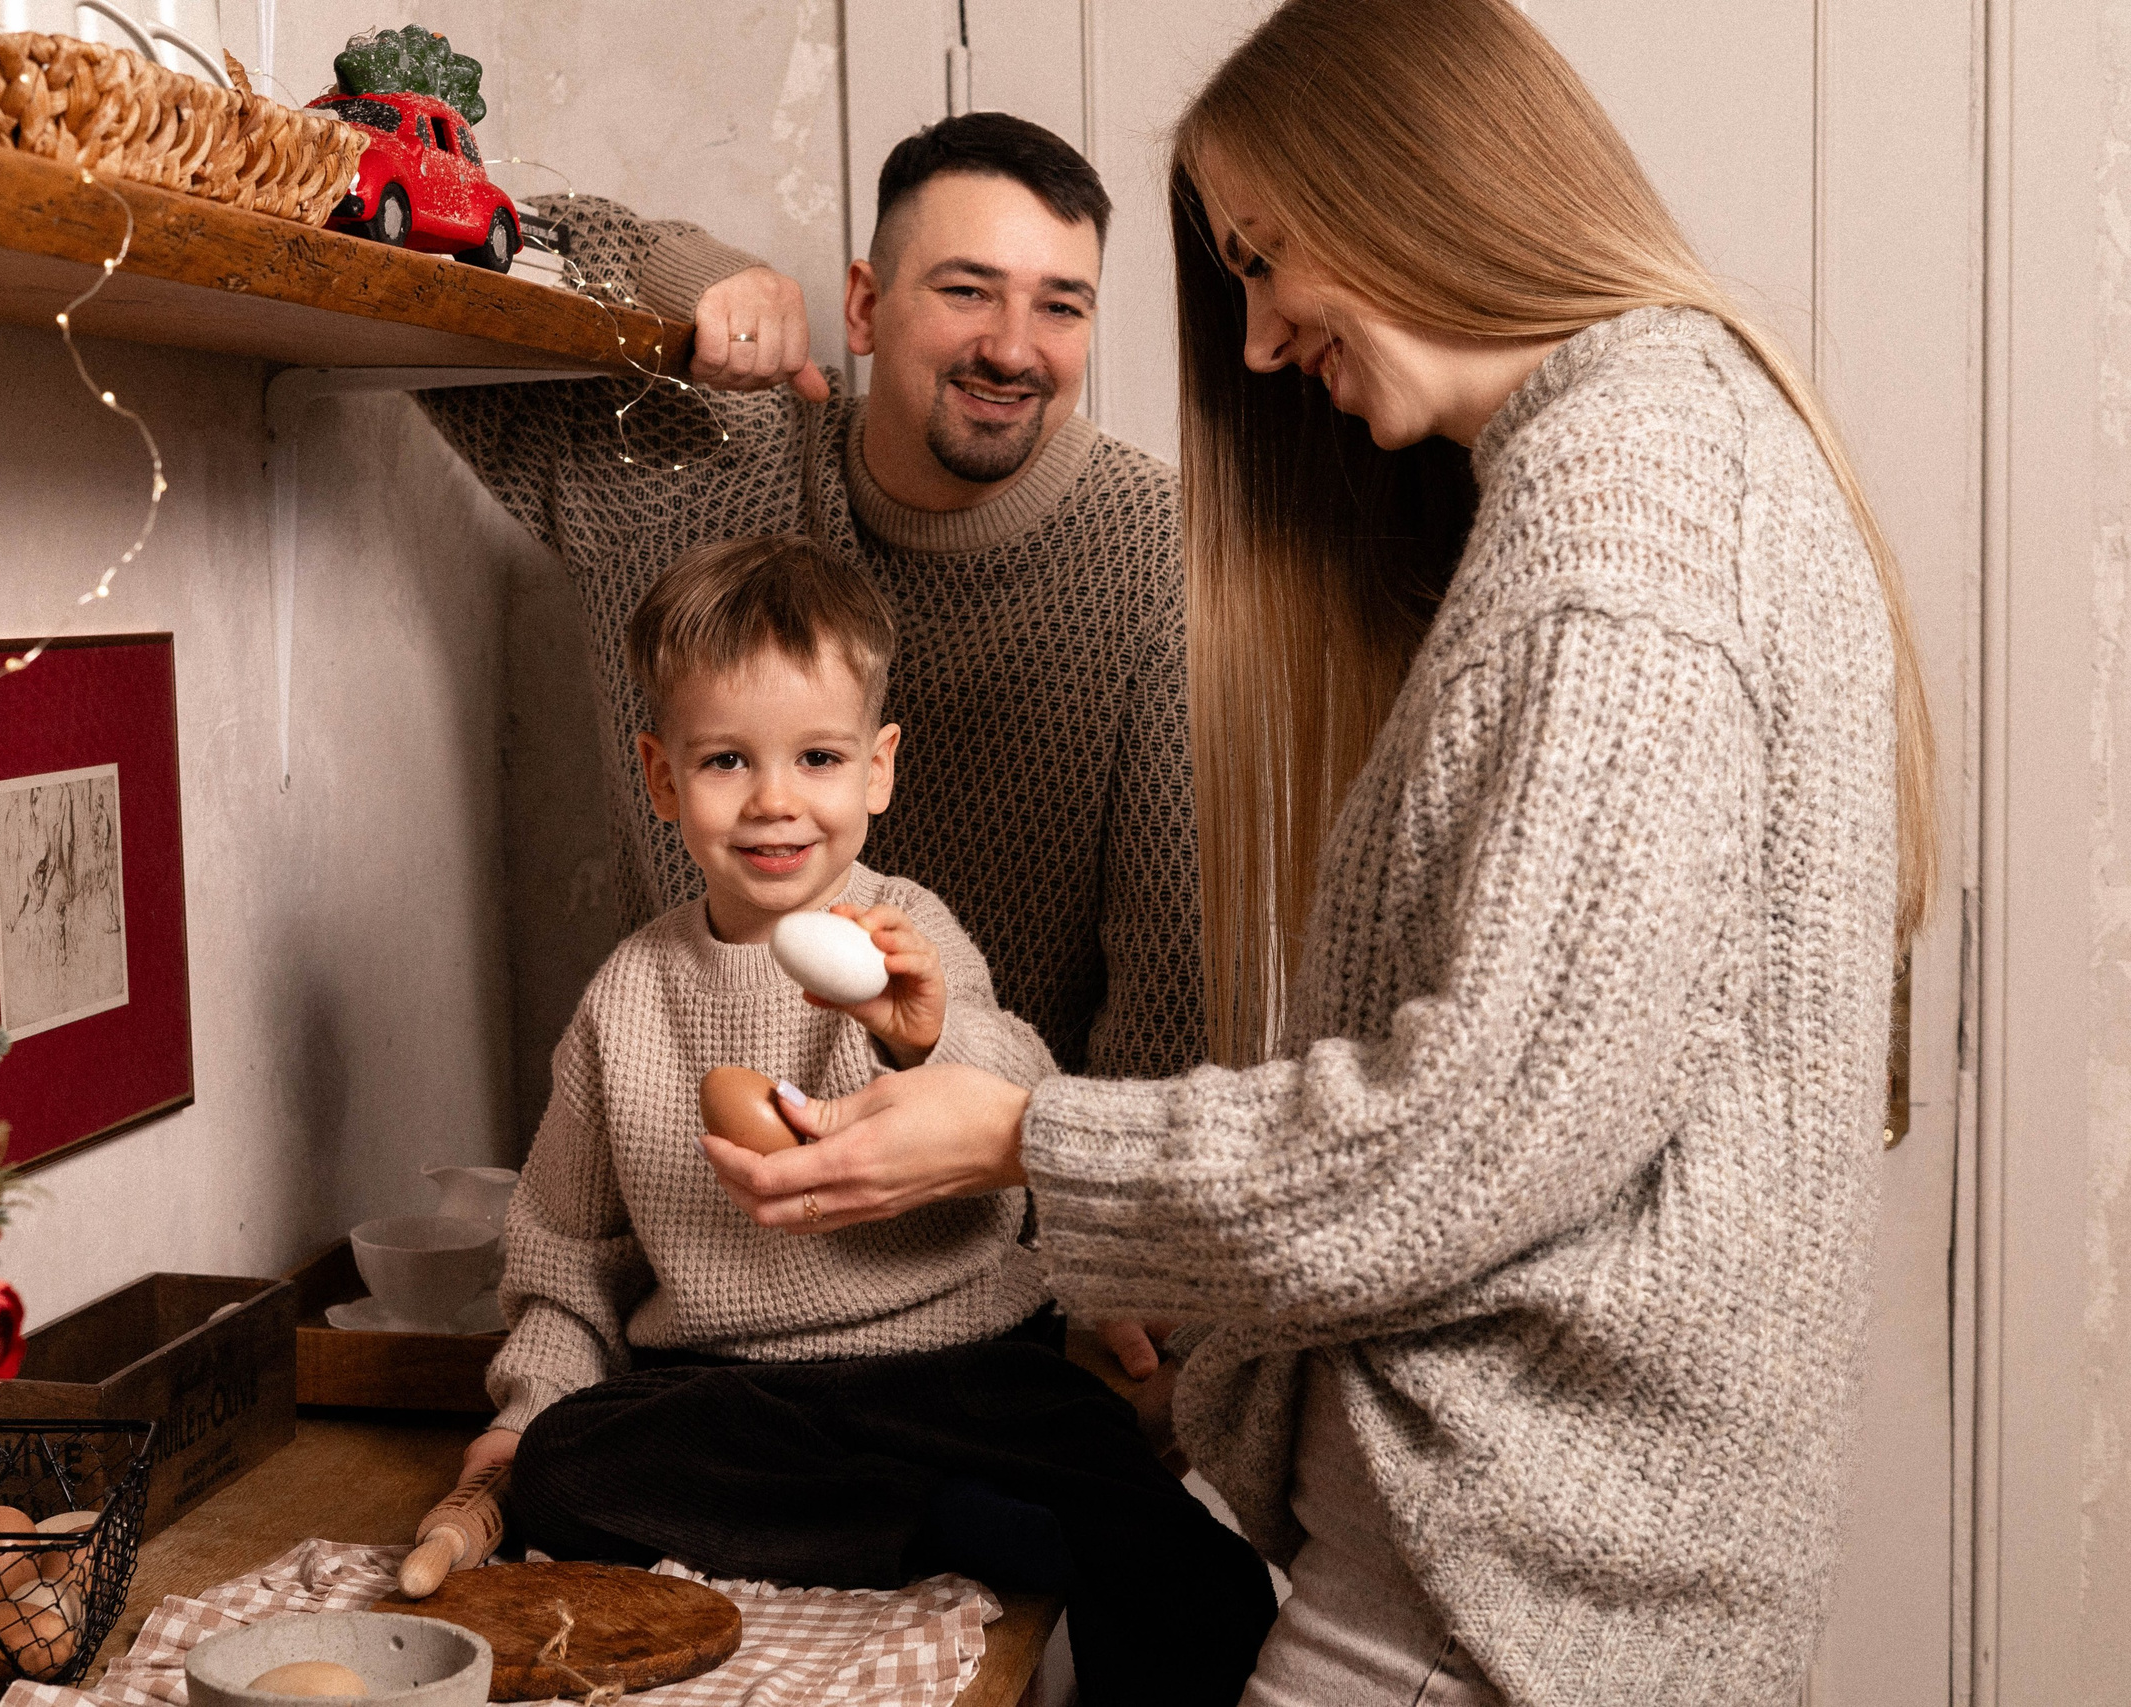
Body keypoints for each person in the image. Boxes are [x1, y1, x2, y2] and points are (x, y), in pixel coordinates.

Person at [699, 2, 1939, 1703]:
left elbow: (1472, 1139)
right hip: (1494, 1565)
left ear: (1419, 178)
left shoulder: (1628, 529)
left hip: (1506, 1595)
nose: (1265, 338)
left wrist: (1023, 1141)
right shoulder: (1640, 466)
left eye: (1271, 259)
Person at [464, 534, 1275, 1707]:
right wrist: (527, 1408)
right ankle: (931, 1526)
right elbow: (563, 1255)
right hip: (740, 1396)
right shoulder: (628, 999)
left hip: (961, 1372)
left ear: (879, 769)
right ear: (659, 777)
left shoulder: (910, 937)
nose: (776, 800)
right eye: (727, 760)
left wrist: (924, 1034)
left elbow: (1024, 1101)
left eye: (819, 757)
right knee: (567, 1466)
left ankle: (965, 1520)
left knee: (1195, 1572)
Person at [419, 113, 1206, 1080]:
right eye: (968, 291)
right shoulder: (698, 462)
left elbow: (1172, 1000)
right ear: (864, 308)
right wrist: (694, 283)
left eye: (1061, 307)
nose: (1012, 349)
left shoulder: (1168, 553)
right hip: (689, 1166)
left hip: (987, 1194)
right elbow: (450, 239)